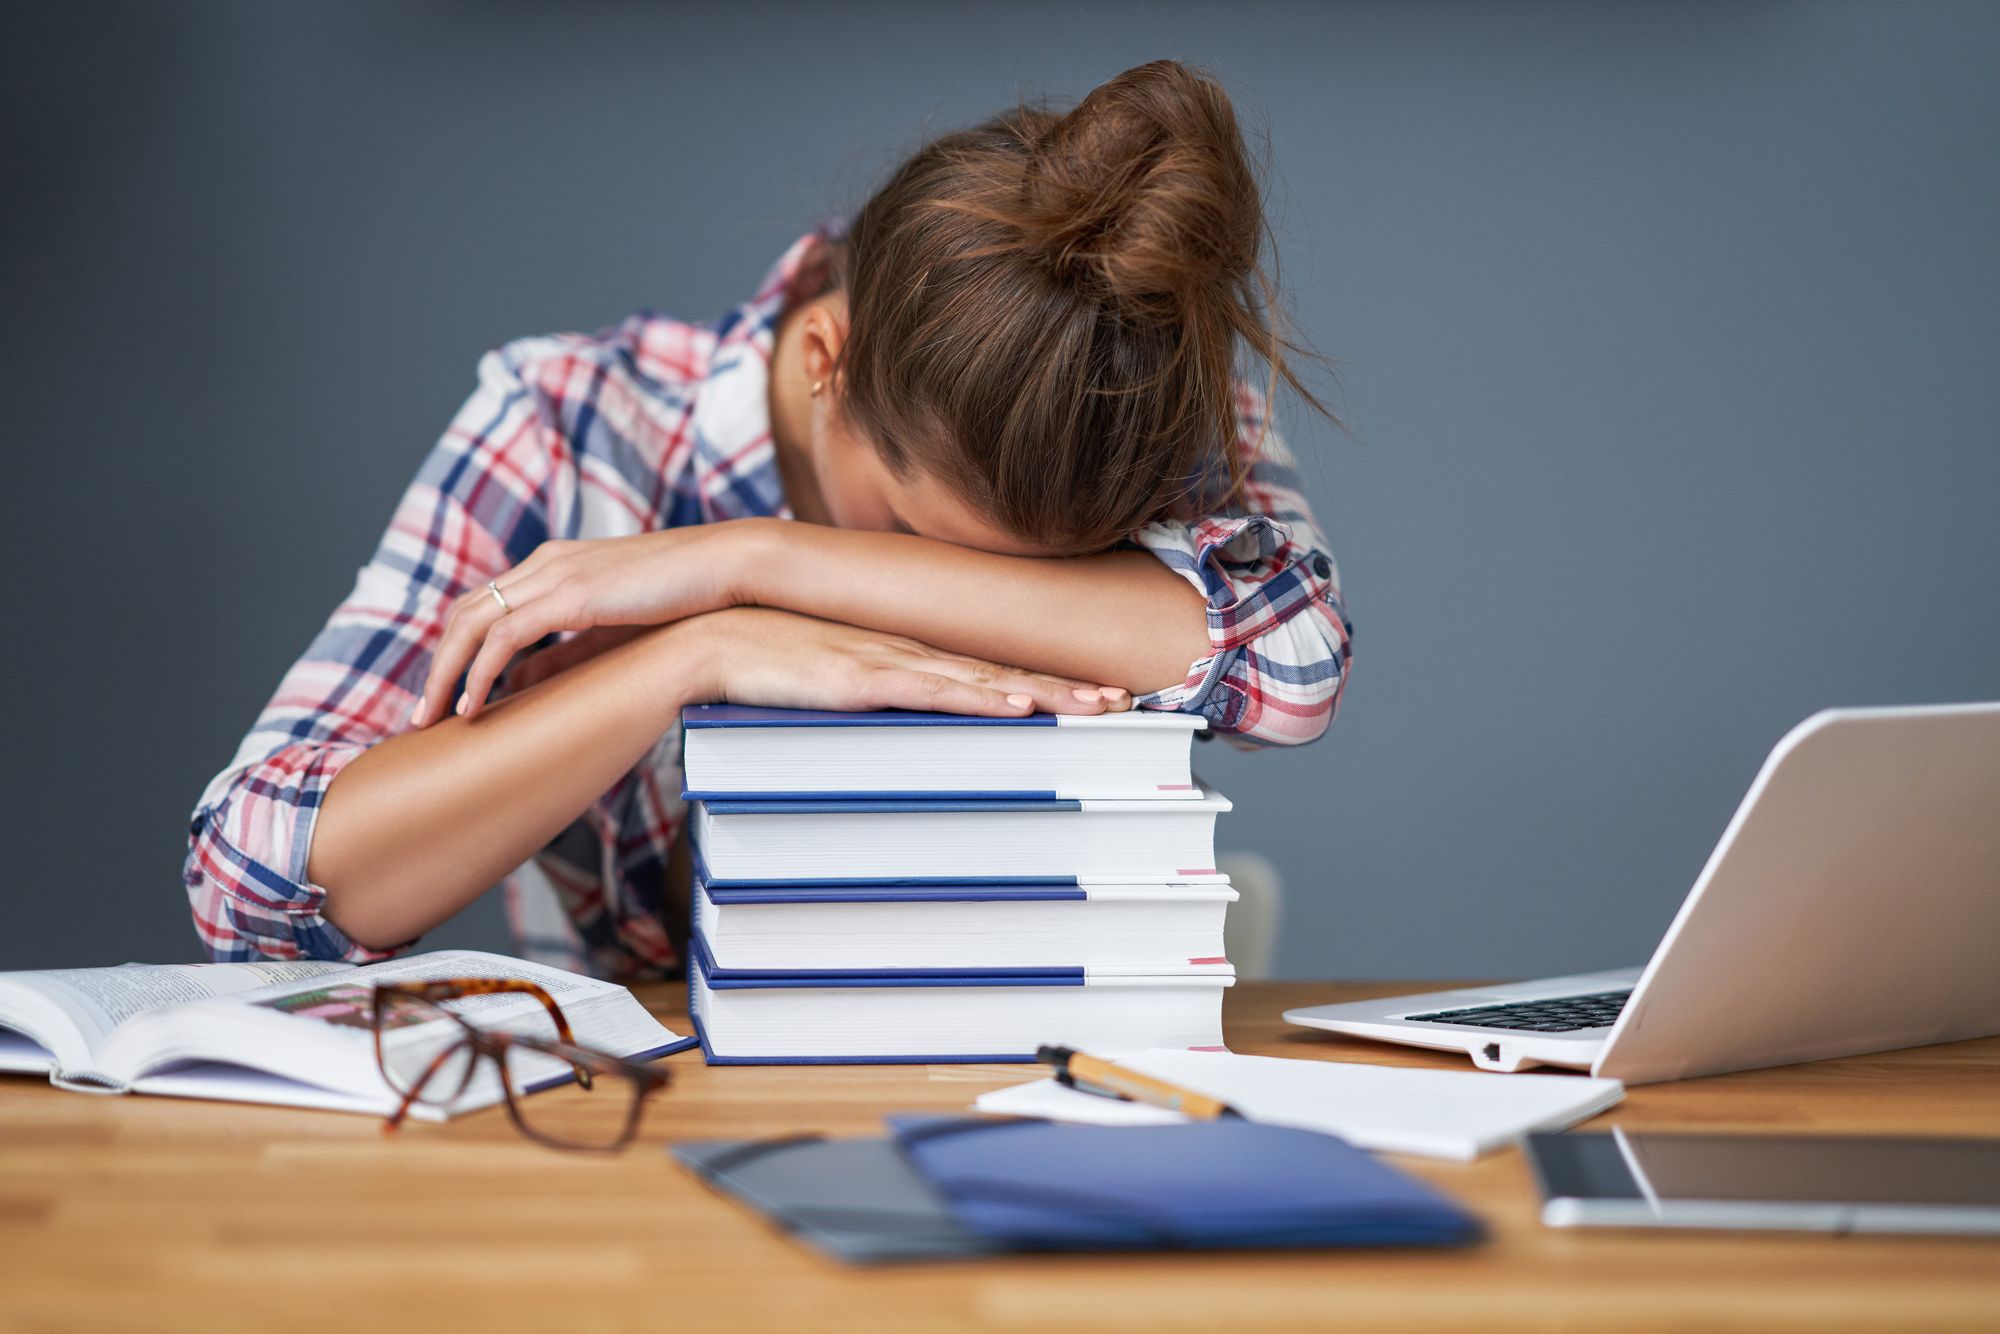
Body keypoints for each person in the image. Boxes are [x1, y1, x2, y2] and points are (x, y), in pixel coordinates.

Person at [183, 60, 1354, 980]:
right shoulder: (573, 425)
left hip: (1040, 1081)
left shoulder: (1136, 396)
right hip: (653, 1112)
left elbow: (1292, 667)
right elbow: (250, 885)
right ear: (822, 358)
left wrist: (759, 562)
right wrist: (698, 651)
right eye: (906, 525)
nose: (924, 593)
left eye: (1016, 582)